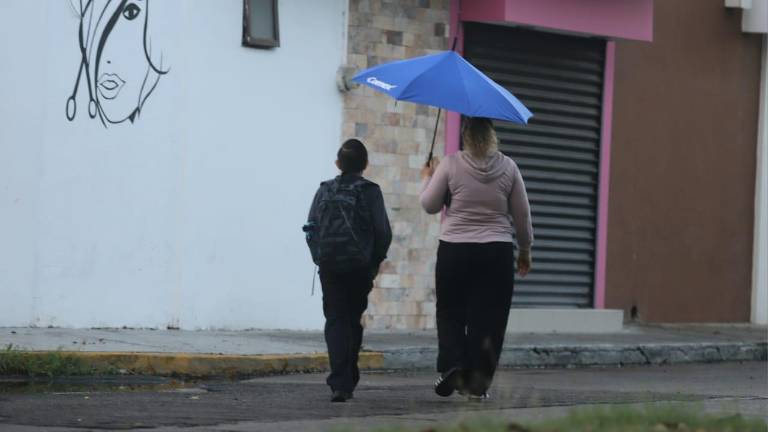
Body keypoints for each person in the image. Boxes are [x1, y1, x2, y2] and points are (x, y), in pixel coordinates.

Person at [419, 116, 533, 400]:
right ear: (493, 136)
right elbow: (522, 215)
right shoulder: (509, 167)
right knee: (490, 319)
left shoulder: (450, 164)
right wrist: (526, 250)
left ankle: (453, 364)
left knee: (450, 312)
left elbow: (430, 205)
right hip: (496, 252)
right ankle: (476, 386)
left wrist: (427, 177)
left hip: (454, 249)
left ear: (466, 137)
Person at [305, 139, 392, 403]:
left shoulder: (324, 190)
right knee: (352, 317)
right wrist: (374, 263)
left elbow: (311, 227)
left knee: (335, 319)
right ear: (365, 165)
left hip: (329, 266)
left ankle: (340, 381)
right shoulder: (370, 191)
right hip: (359, 267)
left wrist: (318, 258)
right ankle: (346, 379)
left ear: (337, 164)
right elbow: (383, 232)